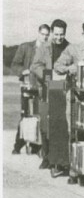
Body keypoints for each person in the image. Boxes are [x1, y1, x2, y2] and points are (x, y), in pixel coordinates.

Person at [31, 19, 70, 169]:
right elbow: (35, 65)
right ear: (52, 32)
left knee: (61, 125)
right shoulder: (44, 48)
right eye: (56, 34)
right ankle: (46, 156)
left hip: (63, 90)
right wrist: (47, 76)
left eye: (62, 34)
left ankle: (60, 158)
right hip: (46, 90)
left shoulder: (69, 47)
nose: (59, 37)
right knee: (45, 125)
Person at [11, 24, 50, 154]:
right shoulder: (25, 47)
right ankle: (18, 145)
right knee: (26, 115)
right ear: (38, 33)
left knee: (42, 116)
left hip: (43, 88)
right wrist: (23, 71)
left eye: (47, 35)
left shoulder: (49, 49)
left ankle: (36, 146)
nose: (44, 37)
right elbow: (15, 64)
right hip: (28, 87)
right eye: (43, 34)